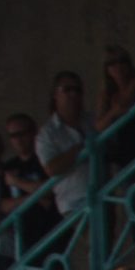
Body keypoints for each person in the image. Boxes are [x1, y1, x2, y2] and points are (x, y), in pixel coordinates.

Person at [35, 71, 90, 215]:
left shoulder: (91, 120)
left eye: (77, 90)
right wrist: (79, 149)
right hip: (74, 202)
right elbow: (52, 168)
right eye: (67, 90)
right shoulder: (47, 134)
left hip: (102, 193)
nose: (73, 94)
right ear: (55, 95)